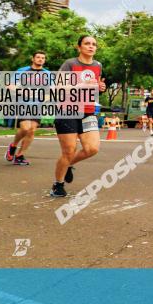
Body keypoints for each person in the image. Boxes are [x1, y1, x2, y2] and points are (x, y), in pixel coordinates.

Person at [50, 35, 107, 198]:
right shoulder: (70, 64)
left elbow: (94, 87)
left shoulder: (98, 65)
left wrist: (100, 87)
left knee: (92, 148)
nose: (91, 46)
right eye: (87, 43)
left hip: (88, 111)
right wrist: (81, 85)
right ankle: (57, 185)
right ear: (79, 47)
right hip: (67, 110)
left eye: (94, 44)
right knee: (69, 151)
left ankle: (68, 165)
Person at [6, 51, 50, 166]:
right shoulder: (22, 71)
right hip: (23, 103)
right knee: (25, 128)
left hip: (38, 105)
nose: (40, 59)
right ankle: (13, 145)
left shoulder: (47, 74)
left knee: (32, 130)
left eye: (43, 58)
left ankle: (20, 156)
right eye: (38, 57)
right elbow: (10, 85)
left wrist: (46, 97)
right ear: (33, 59)